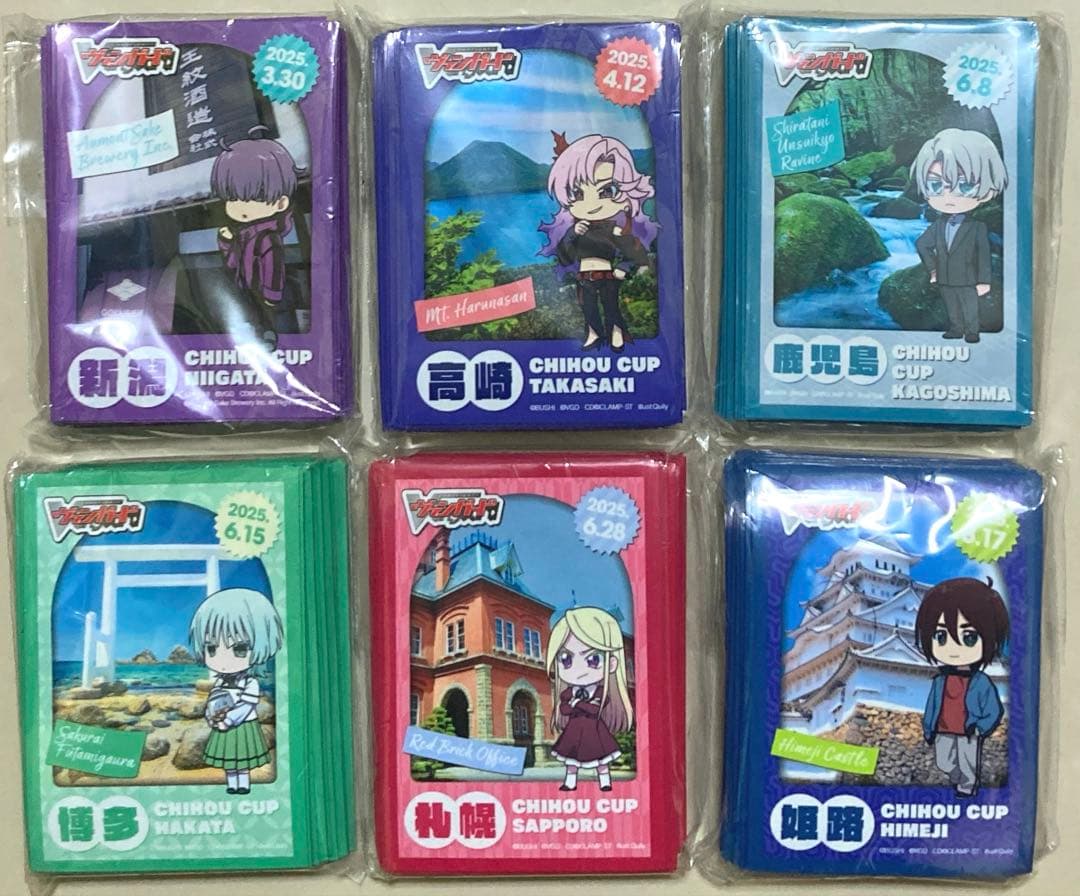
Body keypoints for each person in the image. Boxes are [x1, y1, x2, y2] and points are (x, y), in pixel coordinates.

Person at [911, 128, 1008, 344]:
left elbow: (983, 255)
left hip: (967, 278)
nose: (948, 196)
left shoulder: (977, 227)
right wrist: (933, 269)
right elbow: (922, 244)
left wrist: (984, 281)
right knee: (951, 305)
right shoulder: (938, 225)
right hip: (945, 277)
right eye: (935, 184)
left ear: (987, 191)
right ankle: (956, 329)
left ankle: (972, 331)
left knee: (970, 305)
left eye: (965, 186)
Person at [915, 576, 1008, 797]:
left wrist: (980, 728)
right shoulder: (940, 681)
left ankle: (966, 787)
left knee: (968, 762)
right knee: (944, 762)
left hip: (969, 730)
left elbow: (994, 710)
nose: (953, 648)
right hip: (943, 728)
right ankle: (958, 780)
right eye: (940, 636)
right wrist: (928, 728)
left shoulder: (981, 682)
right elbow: (932, 707)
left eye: (969, 637)